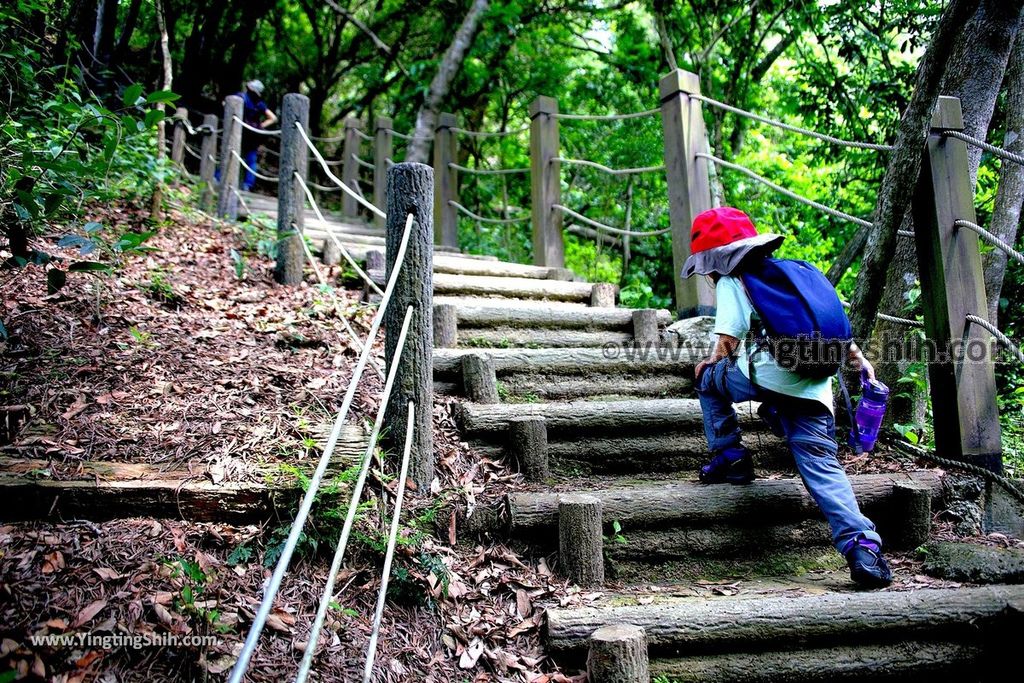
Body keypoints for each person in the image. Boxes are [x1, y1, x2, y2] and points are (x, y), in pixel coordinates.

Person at [683, 206, 893, 589]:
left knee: (709, 381)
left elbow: (729, 340)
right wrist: (861, 362)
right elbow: (831, 327)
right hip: (816, 389)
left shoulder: (735, 281)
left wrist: (708, 365)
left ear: (716, 262)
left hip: (763, 376)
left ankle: (730, 456)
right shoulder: (797, 275)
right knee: (822, 468)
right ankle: (862, 548)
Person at [234, 80, 277, 192]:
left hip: (239, 131)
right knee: (251, 160)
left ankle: (218, 177)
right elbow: (273, 118)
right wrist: (260, 126)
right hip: (253, 135)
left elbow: (226, 104)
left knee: (232, 153)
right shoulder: (259, 103)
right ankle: (247, 185)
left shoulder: (240, 97)